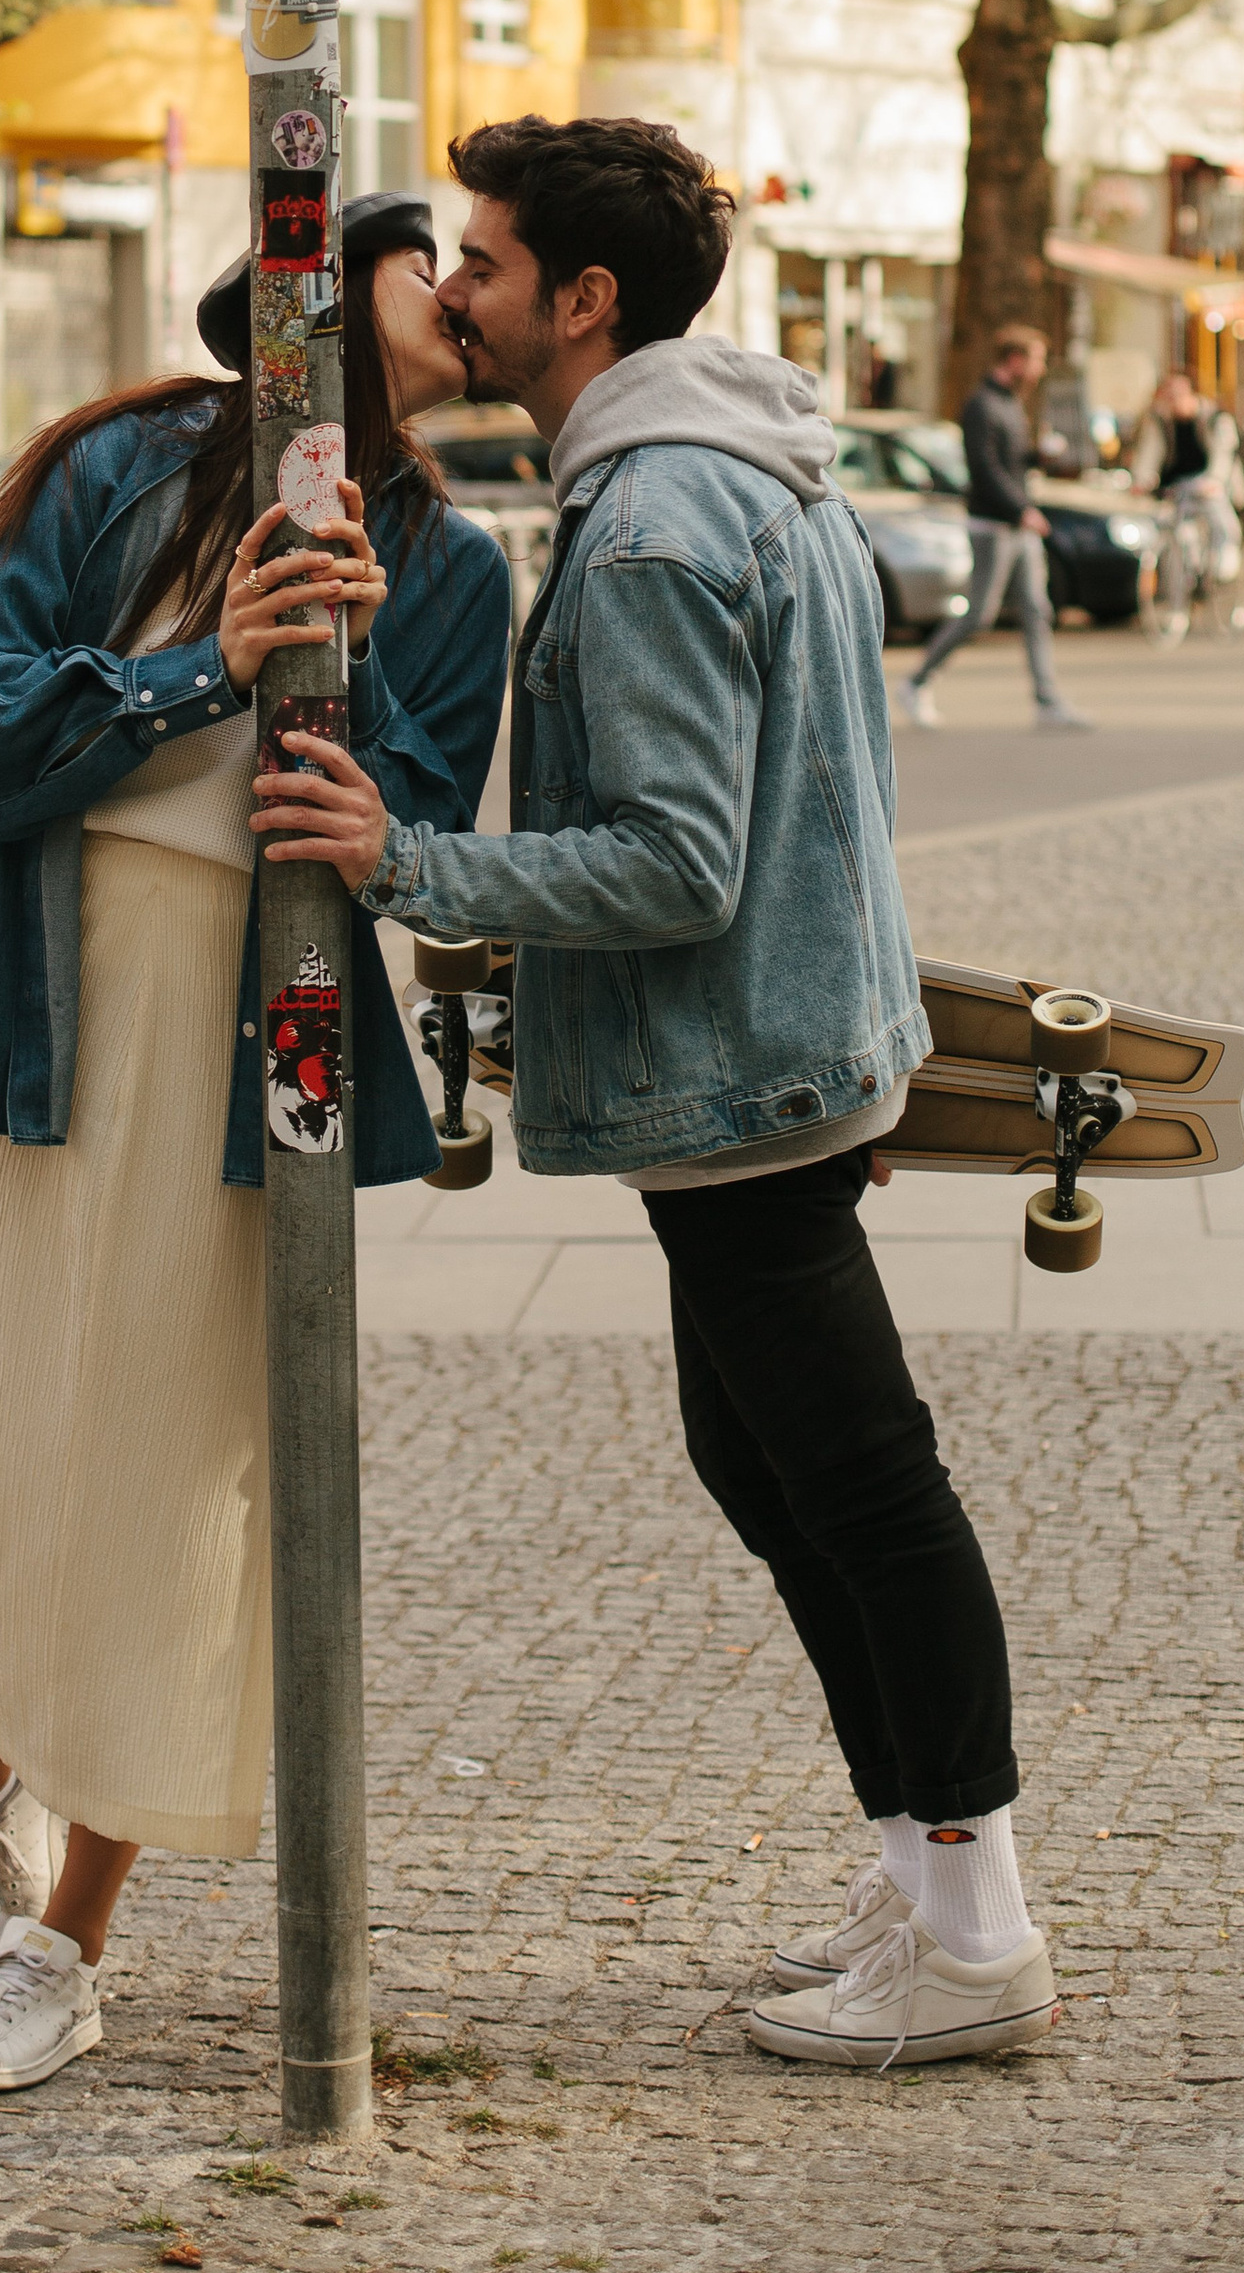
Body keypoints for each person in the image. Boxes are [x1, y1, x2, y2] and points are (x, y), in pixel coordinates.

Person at [257, 119, 1057, 2080]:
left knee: (858, 1490)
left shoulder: (644, 526)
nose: (446, 289)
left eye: (483, 259)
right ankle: (924, 1877)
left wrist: (405, 866)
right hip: (781, 1060)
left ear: (581, 301)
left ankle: (977, 1927)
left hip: (743, 1081)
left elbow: (673, 862)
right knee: (775, 1475)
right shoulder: (729, 470)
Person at [0, 191, 511, 2097]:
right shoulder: (116, 463)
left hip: (261, 1061)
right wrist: (197, 665)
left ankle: (62, 1946)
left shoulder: (457, 562)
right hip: (45, 1017)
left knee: (170, 1484)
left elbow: (403, 830)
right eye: (442, 270)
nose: (469, 305)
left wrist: (360, 661)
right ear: (323, 282)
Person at [898, 323, 1091, 731]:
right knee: (979, 615)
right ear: (1015, 361)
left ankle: (1047, 701)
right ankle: (916, 683)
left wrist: (1040, 456)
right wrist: (1022, 509)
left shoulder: (1011, 404)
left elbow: (1013, 461)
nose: (1039, 370)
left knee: (1037, 611)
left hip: (1018, 528)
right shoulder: (981, 405)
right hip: (992, 526)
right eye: (1036, 360)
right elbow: (984, 469)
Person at [1133, 369, 1244, 581]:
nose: (1174, 400)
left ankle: (1226, 550)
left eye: (1179, 393)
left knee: (1218, 511)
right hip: (1177, 487)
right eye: (1169, 394)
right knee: (1172, 534)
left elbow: (1223, 455)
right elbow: (1149, 453)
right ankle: (1180, 594)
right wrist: (1142, 480)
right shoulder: (1160, 420)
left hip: (1209, 484)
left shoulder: (1215, 418)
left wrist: (1214, 481)